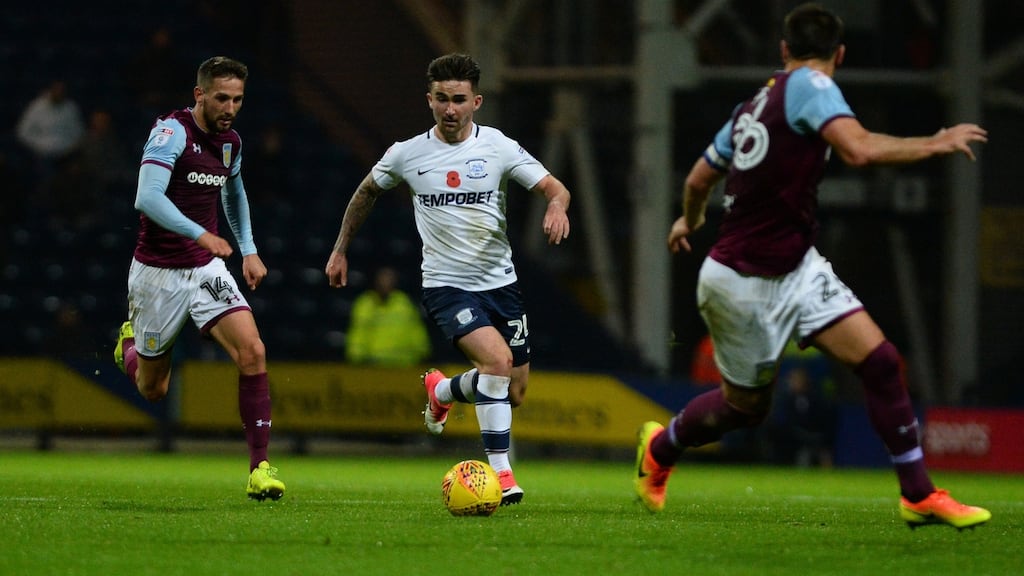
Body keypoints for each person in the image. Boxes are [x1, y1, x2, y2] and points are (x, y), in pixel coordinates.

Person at [634, 3, 990, 529]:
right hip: (743, 282)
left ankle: (918, 494)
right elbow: (861, 151)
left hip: (796, 270)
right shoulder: (812, 86)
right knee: (745, 409)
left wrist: (689, 221)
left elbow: (696, 181)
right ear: (839, 55)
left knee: (882, 362)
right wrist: (934, 142)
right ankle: (661, 447)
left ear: (783, 50)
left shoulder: (753, 104)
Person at [325, 53, 572, 506]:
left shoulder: (497, 146)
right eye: (441, 99)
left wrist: (556, 205)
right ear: (430, 100)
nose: (450, 109)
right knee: (495, 364)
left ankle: (441, 390)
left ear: (475, 101)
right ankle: (502, 477)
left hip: (501, 284)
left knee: (514, 391)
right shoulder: (407, 154)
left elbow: (555, 187)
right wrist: (340, 249)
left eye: (459, 99)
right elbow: (366, 193)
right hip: (446, 284)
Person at [113, 56, 285, 501]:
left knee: (253, 351)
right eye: (222, 97)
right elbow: (146, 197)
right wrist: (200, 233)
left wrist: (247, 248)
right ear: (200, 94)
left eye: (238, 99)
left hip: (206, 270)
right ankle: (129, 346)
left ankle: (260, 468)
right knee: (154, 389)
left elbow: (235, 191)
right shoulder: (172, 132)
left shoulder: (231, 141)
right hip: (157, 273)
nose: (230, 107)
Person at [346, 266, 432, 366]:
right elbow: (358, 334)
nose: (386, 282)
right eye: (383, 278)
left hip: (404, 365)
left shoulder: (403, 303)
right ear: (376, 281)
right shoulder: (365, 304)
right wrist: (357, 358)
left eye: (389, 279)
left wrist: (423, 351)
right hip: (373, 365)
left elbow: (416, 330)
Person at [15, 79, 86, 199]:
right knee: (47, 180)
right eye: (56, 90)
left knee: (75, 178)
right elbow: (22, 131)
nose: (58, 93)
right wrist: (37, 146)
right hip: (42, 154)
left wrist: (70, 148)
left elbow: (78, 133)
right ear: (50, 90)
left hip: (65, 154)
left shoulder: (71, 108)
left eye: (61, 91)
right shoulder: (37, 106)